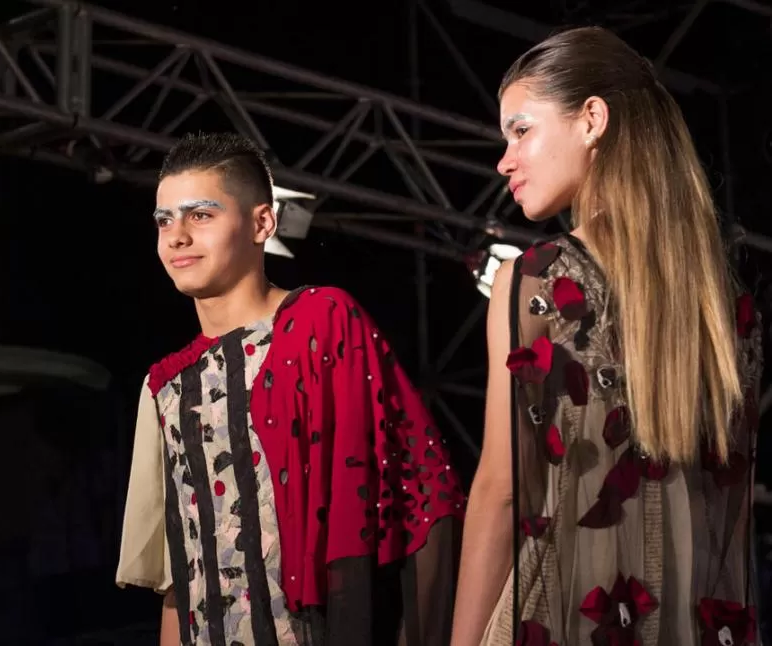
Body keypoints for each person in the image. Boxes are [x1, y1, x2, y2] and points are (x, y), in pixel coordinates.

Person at [451, 27, 764, 646]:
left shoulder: (534, 281)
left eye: (521, 130)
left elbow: (502, 491)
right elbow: (732, 524)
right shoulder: (726, 307)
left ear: (592, 119)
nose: (504, 160)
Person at [116, 132, 465, 645]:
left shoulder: (321, 322)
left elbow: (426, 497)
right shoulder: (164, 385)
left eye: (201, 215)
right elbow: (180, 577)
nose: (177, 236)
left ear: (263, 223)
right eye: (164, 220)